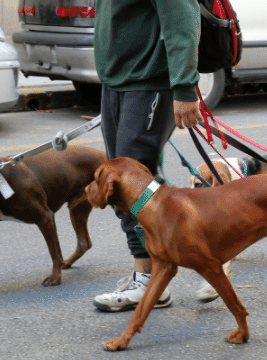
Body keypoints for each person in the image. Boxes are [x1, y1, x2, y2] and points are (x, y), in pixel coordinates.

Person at [92, 0, 203, 312]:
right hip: (117, 83)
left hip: (150, 83)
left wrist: (184, 88)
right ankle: (157, 274)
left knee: (131, 186)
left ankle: (149, 280)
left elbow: (182, 22)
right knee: (134, 186)